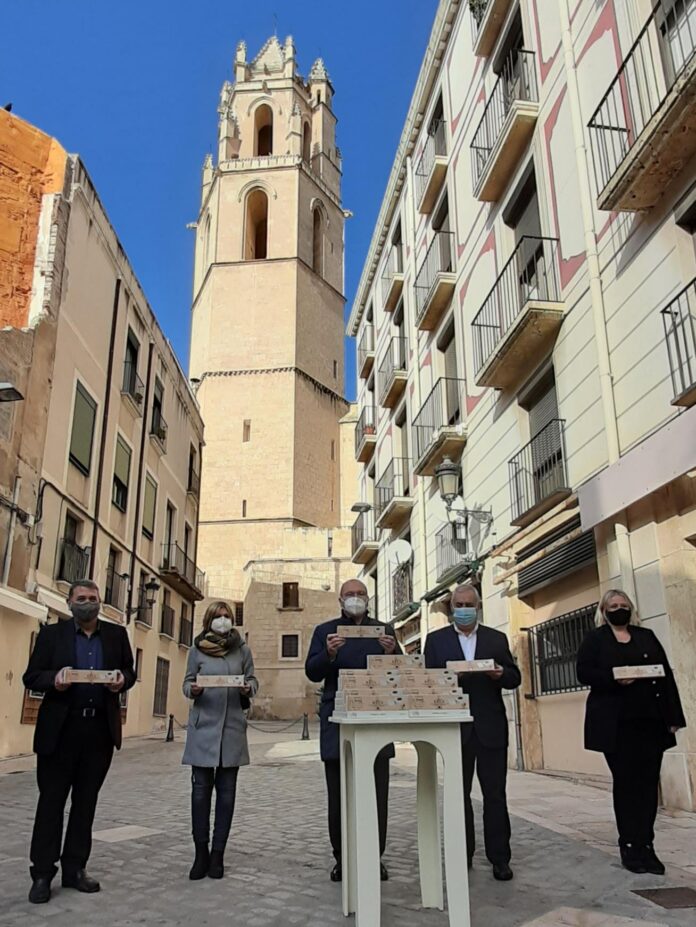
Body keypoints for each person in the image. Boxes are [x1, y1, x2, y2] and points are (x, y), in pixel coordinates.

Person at [22, 579, 136, 904]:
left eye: (93, 598)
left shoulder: (116, 635)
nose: (88, 603)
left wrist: (120, 681)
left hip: (98, 733)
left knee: (85, 805)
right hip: (60, 733)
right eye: (81, 598)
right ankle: (42, 874)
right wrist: (54, 680)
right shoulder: (51, 635)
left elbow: (129, 671)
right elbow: (31, 676)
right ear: (70, 602)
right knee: (51, 804)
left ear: (100, 602)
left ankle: (75, 869)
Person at [576, 589, 686, 875]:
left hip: (650, 721)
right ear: (603, 610)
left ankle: (647, 845)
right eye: (613, 605)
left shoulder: (646, 636)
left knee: (649, 786)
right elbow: (584, 673)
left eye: (624, 605)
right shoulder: (595, 639)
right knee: (626, 785)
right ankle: (629, 845)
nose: (619, 609)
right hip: (616, 725)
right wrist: (615, 678)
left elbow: (665, 675)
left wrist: (674, 717)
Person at [424, 583, 520, 881]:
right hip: (455, 728)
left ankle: (500, 858)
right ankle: (461, 853)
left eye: (468, 604)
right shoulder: (436, 641)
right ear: (451, 608)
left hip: (490, 727)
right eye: (458, 605)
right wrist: (448, 677)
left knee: (495, 795)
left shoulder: (495, 638)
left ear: (477, 607)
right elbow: (427, 681)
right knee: (458, 795)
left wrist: (500, 673)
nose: (463, 609)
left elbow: (514, 676)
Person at [305, 579, 400, 883]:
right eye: (350, 595)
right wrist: (329, 655)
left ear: (368, 598)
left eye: (360, 594)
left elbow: (400, 673)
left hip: (376, 717)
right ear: (340, 600)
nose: (355, 599)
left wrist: (392, 653)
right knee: (339, 795)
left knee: (377, 793)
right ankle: (343, 858)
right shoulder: (325, 631)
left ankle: (375, 857)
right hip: (338, 719)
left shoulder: (385, 631)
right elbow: (312, 671)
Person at [182, 600, 258, 880]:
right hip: (204, 730)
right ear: (209, 620)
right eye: (218, 616)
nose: (223, 620)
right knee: (200, 793)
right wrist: (195, 690)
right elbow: (186, 684)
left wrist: (248, 688)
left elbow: (253, 681)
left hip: (232, 731)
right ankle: (200, 853)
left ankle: (218, 854)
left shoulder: (243, 650)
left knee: (227, 796)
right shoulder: (196, 649)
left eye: (227, 616)